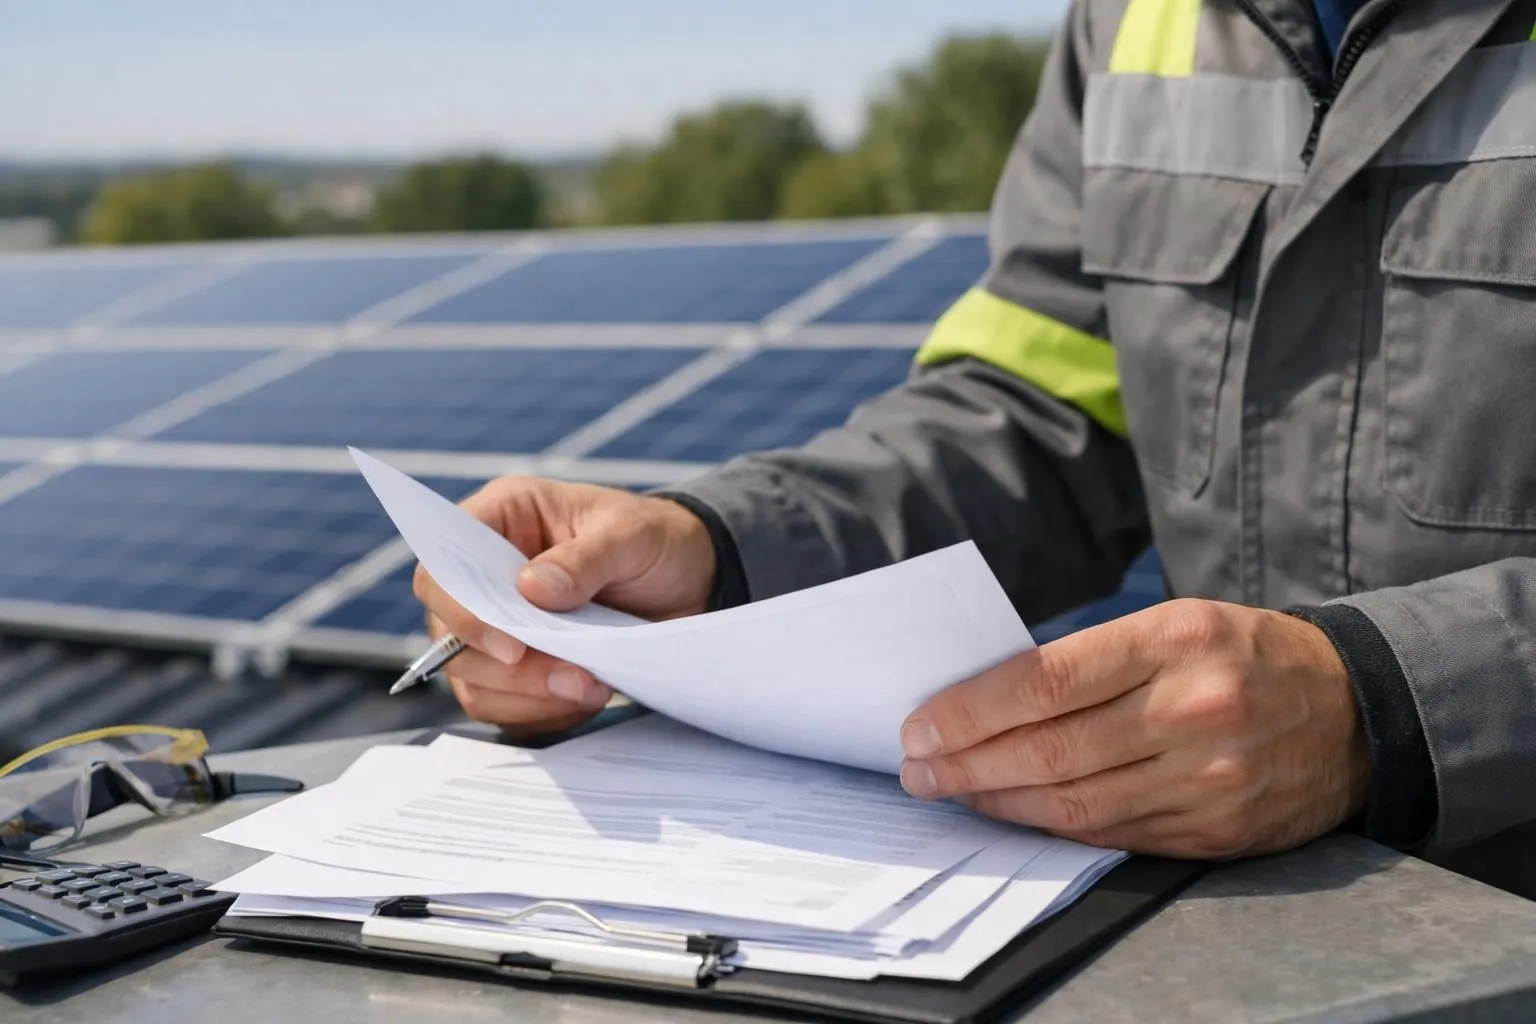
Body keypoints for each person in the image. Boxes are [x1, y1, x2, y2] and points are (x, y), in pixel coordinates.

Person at [415, 0, 1536, 863]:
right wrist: (714, 548)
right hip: (1247, 935)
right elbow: (1042, 408)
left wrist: (1381, 704)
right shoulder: (1137, 16)